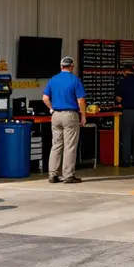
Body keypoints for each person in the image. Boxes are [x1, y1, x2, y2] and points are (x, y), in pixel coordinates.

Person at [42, 56, 87, 184]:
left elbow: (45, 98)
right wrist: (83, 115)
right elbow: (81, 100)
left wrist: (51, 109)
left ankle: (53, 174)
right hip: (70, 115)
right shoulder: (75, 80)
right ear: (72, 66)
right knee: (70, 146)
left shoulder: (53, 79)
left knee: (56, 145)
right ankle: (68, 175)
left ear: (61, 66)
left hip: (56, 115)